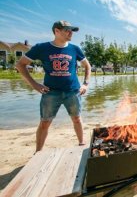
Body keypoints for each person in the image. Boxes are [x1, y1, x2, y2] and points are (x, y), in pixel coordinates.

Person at [16, 20, 91, 152]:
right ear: (56, 31)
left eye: (71, 30)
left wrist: (85, 84)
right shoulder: (41, 48)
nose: (70, 33)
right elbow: (20, 64)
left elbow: (87, 66)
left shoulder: (75, 49)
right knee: (45, 122)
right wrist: (34, 84)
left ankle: (81, 144)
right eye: (67, 30)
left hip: (73, 92)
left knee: (77, 119)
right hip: (51, 93)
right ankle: (38, 152)